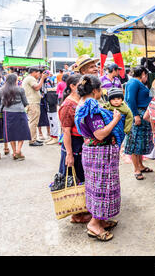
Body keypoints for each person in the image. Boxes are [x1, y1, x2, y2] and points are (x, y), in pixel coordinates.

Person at [75, 75, 123, 242]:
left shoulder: (81, 104)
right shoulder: (91, 107)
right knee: (102, 189)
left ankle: (101, 219)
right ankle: (94, 224)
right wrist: (116, 119)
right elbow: (100, 134)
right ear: (95, 90)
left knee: (98, 187)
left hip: (93, 152)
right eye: (100, 89)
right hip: (99, 154)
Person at [57, 73, 91, 224]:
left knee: (82, 178)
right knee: (74, 179)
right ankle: (76, 215)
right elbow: (66, 131)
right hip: (73, 146)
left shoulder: (80, 100)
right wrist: (69, 154)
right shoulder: (67, 105)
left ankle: (82, 210)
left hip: (81, 143)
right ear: (72, 86)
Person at [124, 66, 153, 180]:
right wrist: (136, 115)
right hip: (138, 114)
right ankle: (136, 169)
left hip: (142, 113)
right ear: (143, 74)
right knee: (135, 142)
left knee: (140, 142)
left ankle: (140, 166)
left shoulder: (136, 83)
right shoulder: (134, 82)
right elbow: (130, 99)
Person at [0, 74, 31, 160]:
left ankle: (14, 152)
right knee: (21, 131)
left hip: (7, 113)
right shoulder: (20, 89)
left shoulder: (0, 90)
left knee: (11, 132)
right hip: (20, 111)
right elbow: (25, 102)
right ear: (15, 80)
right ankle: (19, 150)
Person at [22, 67, 47, 147]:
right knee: (33, 122)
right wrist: (42, 79)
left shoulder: (29, 78)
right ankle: (32, 140)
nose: (39, 75)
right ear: (34, 72)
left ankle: (34, 139)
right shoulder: (30, 78)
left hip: (32, 102)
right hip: (32, 103)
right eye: (38, 73)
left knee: (34, 122)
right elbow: (37, 87)